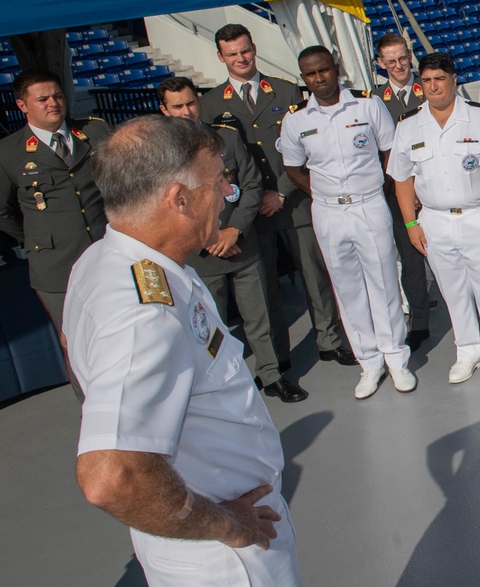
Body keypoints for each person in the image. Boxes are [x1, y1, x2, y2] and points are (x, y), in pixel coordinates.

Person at [65, 115, 319, 587]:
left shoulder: (105, 260)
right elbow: (110, 478)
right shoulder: (146, 313)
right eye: (218, 181)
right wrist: (227, 525)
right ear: (178, 199)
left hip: (200, 536)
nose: (226, 194)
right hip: (226, 554)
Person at [201, 24, 355, 372]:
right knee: (264, 289)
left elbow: (308, 149)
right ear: (220, 57)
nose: (241, 59)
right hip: (248, 212)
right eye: (232, 54)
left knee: (315, 278)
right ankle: (278, 354)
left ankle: (329, 340)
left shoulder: (287, 91)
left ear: (253, 48)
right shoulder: (209, 104)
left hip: (293, 199)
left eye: (245, 51)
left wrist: (282, 190)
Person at [157, 77, 307, 403]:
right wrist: (209, 238)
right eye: (177, 106)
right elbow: (165, 208)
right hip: (200, 256)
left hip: (241, 244)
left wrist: (233, 230)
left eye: (190, 103)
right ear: (164, 110)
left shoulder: (226, 137)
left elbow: (251, 186)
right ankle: (223, 386)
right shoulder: (158, 156)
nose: (186, 111)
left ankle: (272, 376)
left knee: (259, 317)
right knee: (209, 327)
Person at [281, 46, 415, 399]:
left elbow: (390, 149)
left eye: (324, 70)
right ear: (303, 77)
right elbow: (292, 167)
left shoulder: (367, 104)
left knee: (384, 281)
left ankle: (396, 358)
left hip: (368, 203)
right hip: (327, 211)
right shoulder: (296, 118)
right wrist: (318, 193)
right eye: (310, 74)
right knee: (347, 286)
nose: (319, 79)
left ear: (336, 68)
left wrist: (379, 186)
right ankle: (369, 362)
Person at [386, 52, 480, 383]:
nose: (433, 86)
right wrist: (410, 224)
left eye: (440, 79)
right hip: (434, 220)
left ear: (454, 80)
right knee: (453, 289)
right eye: (427, 80)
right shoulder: (407, 126)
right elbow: (402, 180)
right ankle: (467, 349)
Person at [0, 69, 109, 399]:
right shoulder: (8, 151)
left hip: (107, 253)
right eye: (42, 99)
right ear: (22, 105)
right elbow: (4, 214)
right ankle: (94, 411)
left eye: (57, 96)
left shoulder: (94, 131)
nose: (53, 103)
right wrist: (39, 238)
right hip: (56, 266)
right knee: (77, 343)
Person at [374, 33, 431, 350]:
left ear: (410, 55)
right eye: (390, 61)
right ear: (380, 63)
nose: (398, 66)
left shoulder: (431, 88)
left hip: (435, 190)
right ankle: (420, 322)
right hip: (399, 195)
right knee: (410, 263)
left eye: (403, 59)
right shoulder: (374, 101)